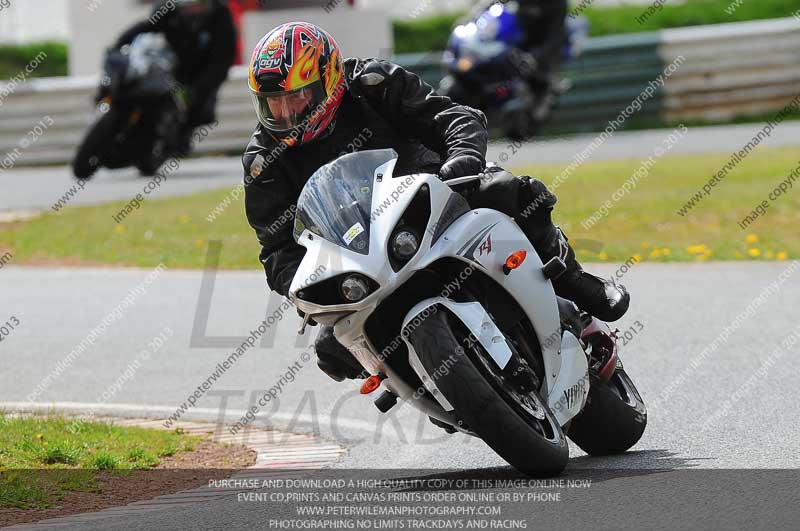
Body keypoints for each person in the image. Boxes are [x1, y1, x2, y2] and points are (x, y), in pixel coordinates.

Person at [243, 22, 628, 382]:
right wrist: (305, 287)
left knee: (508, 190)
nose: (286, 112)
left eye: (295, 98)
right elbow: (277, 248)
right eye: (274, 103)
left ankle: (572, 280)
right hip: (360, 256)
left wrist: (461, 158)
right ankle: (418, 380)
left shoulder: (372, 83)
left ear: (327, 79)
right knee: (333, 350)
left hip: (435, 197)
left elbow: (452, 117)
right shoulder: (264, 162)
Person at [113, 0, 237, 154]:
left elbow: (222, 61)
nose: (193, 9)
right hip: (168, 65)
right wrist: (118, 46)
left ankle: (181, 136)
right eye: (189, 6)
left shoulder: (221, 17)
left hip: (199, 73)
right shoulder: (168, 9)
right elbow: (146, 26)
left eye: (198, 5)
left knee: (200, 107)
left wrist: (199, 89)